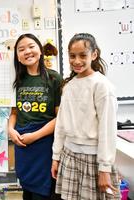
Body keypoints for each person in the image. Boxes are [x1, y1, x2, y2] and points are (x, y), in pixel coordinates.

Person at [51, 33, 120, 200]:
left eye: (83, 55)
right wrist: (56, 157)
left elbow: (107, 130)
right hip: (69, 156)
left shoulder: (102, 86)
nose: (76, 61)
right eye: (72, 56)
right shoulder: (68, 86)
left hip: (93, 159)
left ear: (94, 55)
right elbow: (60, 125)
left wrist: (105, 168)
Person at [8, 33, 63, 200]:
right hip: (23, 145)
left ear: (40, 50)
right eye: (21, 49)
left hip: (45, 144)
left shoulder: (54, 78)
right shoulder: (17, 80)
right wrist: (10, 130)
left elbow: (60, 118)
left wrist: (35, 136)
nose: (27, 52)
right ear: (17, 56)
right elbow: (14, 113)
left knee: (44, 193)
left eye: (31, 46)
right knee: (27, 191)